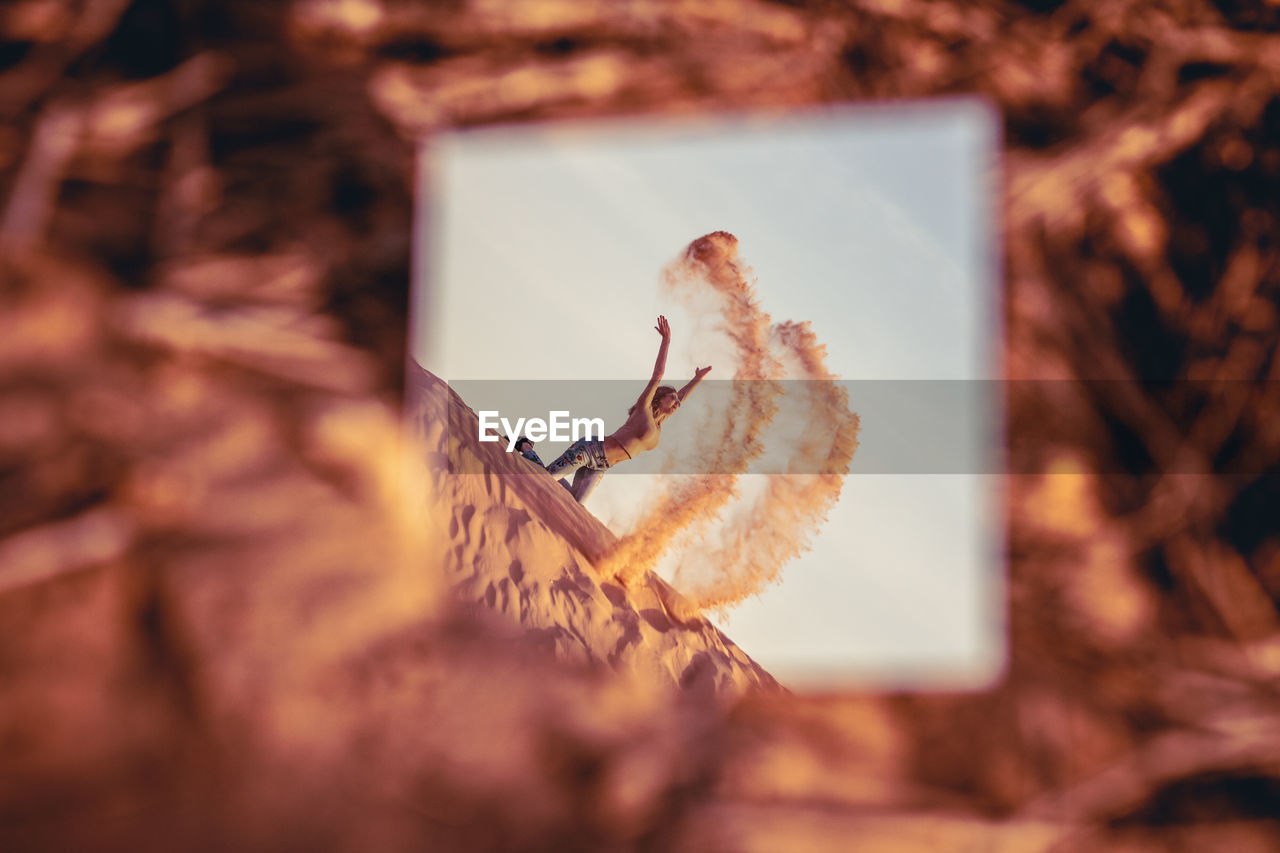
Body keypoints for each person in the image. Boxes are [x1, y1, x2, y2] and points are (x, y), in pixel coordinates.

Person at [542, 315, 711, 503]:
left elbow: (683, 397)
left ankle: (547, 467)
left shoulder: (658, 423)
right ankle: (525, 447)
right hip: (590, 450)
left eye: (677, 402)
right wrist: (666, 341)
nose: (676, 402)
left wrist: (697, 379)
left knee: (574, 506)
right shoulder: (643, 409)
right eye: (672, 398)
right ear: (659, 398)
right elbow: (658, 375)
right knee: (544, 480)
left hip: (601, 467)